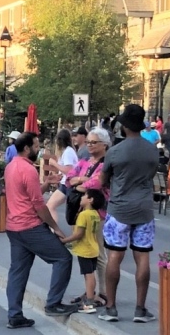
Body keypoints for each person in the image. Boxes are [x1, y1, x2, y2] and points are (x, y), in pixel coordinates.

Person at [4, 132, 76, 329]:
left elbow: (25, 195)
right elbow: (38, 205)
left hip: (14, 227)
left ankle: (15, 314)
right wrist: (56, 228)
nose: (38, 150)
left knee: (18, 271)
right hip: (30, 226)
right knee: (63, 258)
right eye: (36, 146)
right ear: (27, 148)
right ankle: (53, 303)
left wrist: (46, 184)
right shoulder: (28, 170)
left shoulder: (11, 166)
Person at [98, 104, 159, 324]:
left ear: (123, 125)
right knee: (142, 257)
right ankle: (140, 309)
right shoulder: (152, 149)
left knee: (115, 256)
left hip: (119, 209)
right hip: (144, 208)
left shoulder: (114, 151)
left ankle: (110, 308)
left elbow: (103, 180)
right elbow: (151, 175)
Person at [61, 128, 110, 309]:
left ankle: (103, 292)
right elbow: (69, 179)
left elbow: (96, 184)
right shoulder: (85, 161)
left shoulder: (106, 164)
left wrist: (79, 181)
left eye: (93, 142)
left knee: (97, 253)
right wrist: (81, 181)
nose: (89, 145)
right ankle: (90, 291)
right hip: (80, 212)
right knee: (84, 252)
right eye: (88, 142)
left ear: (104, 144)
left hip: (98, 214)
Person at [61, 188, 106, 314]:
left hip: (85, 250)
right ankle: (90, 296)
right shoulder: (95, 214)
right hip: (93, 248)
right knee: (91, 273)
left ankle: (89, 302)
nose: (81, 198)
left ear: (90, 200)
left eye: (84, 196)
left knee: (88, 275)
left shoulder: (83, 215)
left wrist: (64, 240)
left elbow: (78, 234)